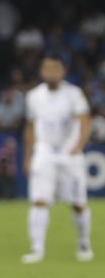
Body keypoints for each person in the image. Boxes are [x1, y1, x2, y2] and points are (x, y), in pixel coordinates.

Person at [22, 53, 93, 263]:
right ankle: (37, 250)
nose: (51, 73)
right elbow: (30, 127)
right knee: (39, 201)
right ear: (42, 71)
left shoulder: (74, 94)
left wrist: (78, 145)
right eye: (47, 68)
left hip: (69, 154)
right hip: (44, 153)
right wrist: (28, 156)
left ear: (63, 71)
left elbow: (85, 121)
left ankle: (84, 243)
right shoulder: (34, 96)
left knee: (78, 203)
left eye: (55, 68)